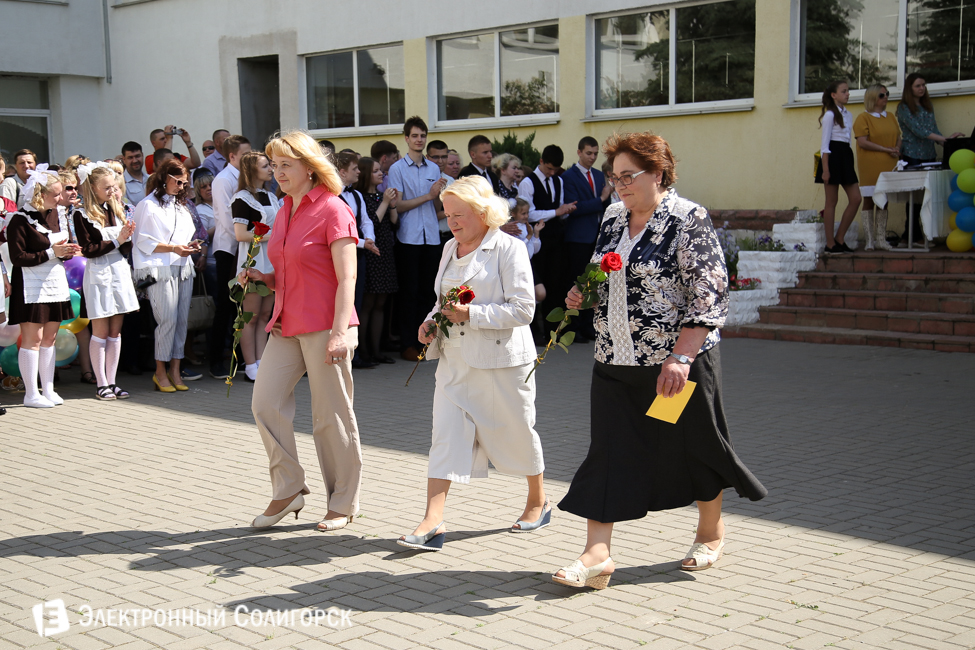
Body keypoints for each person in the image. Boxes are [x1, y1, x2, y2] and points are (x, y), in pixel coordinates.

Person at [552, 132, 767, 590]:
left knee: (694, 445)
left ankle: (710, 532)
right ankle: (597, 555)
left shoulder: (689, 219)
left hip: (671, 366)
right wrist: (583, 292)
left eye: (629, 176)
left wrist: (681, 357)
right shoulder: (613, 217)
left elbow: (709, 296)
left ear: (659, 173)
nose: (620, 186)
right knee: (608, 451)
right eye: (615, 177)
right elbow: (601, 269)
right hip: (615, 360)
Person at [397, 176, 547, 553]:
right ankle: (433, 521)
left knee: (516, 431)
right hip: (454, 361)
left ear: (483, 213)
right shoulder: (449, 247)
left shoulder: (509, 248)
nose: (452, 223)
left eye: (459, 215)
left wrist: (471, 315)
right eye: (447, 215)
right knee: (444, 435)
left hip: (501, 362)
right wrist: (432, 320)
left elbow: (523, 309)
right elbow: (443, 300)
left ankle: (538, 501)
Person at [242, 129, 363, 533]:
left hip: (327, 326)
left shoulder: (334, 209)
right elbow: (291, 271)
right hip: (286, 324)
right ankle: (289, 488)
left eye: (286, 166)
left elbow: (347, 278)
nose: (277, 173)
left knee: (330, 417)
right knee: (265, 404)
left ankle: (343, 502)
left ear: (310, 168)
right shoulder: (284, 209)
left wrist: (341, 331)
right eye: (273, 166)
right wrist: (263, 277)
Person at [5, 166, 82, 407]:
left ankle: (48, 389)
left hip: (55, 282)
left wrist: (69, 252)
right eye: (56, 194)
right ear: (40, 194)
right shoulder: (19, 219)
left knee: (49, 337)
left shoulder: (58, 215)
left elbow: (61, 249)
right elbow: (18, 257)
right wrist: (52, 252)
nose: (61, 198)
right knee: (33, 339)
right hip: (30, 284)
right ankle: (31, 394)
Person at [132, 158, 202, 392]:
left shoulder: (181, 205)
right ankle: (160, 372)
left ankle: (175, 369)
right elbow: (142, 241)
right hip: (158, 269)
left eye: (184, 182)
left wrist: (190, 245)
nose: (182, 186)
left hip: (182, 266)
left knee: (182, 320)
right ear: (164, 178)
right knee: (167, 320)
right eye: (178, 182)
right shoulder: (147, 204)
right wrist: (174, 248)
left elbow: (180, 236)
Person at [73, 163, 139, 400]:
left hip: (119, 271)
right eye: (107, 188)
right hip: (99, 273)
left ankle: (113, 381)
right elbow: (89, 249)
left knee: (115, 331)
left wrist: (127, 237)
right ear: (93, 188)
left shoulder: (117, 209)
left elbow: (124, 248)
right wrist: (118, 241)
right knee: (100, 330)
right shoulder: (81, 214)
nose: (113, 191)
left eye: (114, 187)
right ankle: (101, 383)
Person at [388, 116, 447, 362]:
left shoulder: (434, 168)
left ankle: (427, 342)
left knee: (428, 293)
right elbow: (398, 206)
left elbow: (435, 203)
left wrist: (440, 196)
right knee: (409, 294)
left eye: (422, 136)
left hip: (431, 236)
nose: (419, 140)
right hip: (409, 238)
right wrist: (429, 195)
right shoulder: (397, 169)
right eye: (414, 136)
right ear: (406, 138)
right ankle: (408, 344)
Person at [896, 73, 964, 245]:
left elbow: (934, 129)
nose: (922, 88)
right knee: (914, 197)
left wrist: (947, 141)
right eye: (918, 86)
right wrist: (942, 140)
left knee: (927, 197)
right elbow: (919, 131)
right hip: (912, 155)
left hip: (929, 154)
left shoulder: (928, 105)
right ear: (909, 88)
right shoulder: (904, 108)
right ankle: (912, 234)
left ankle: (915, 234)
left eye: (923, 85)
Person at [518, 145, 576, 334]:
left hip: (556, 237)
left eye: (555, 170)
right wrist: (556, 212)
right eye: (549, 168)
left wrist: (565, 210)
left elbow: (559, 209)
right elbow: (528, 213)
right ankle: (534, 331)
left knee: (556, 283)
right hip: (536, 238)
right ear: (541, 161)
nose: (551, 173)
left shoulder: (558, 181)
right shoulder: (528, 182)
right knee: (536, 285)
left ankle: (554, 329)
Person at [231, 152, 279, 382]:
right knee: (249, 316)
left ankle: (262, 361)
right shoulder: (241, 198)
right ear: (251, 170)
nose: (270, 168)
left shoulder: (270, 195)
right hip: (253, 261)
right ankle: (250, 364)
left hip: (271, 262)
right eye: (265, 165)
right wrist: (271, 236)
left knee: (265, 315)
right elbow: (240, 234)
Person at [209, 135, 252, 379]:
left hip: (246, 249)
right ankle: (216, 360)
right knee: (226, 306)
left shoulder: (247, 179)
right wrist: (245, 238)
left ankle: (243, 359)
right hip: (230, 249)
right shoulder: (223, 180)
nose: (249, 158)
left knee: (244, 307)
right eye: (244, 155)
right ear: (232, 156)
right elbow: (227, 219)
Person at [562, 136, 612, 342]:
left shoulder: (600, 176)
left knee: (593, 282)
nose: (592, 157)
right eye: (588, 153)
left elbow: (605, 206)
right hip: (578, 237)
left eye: (595, 154)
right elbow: (575, 207)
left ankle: (590, 325)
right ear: (579, 152)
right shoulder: (569, 176)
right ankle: (574, 327)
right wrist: (600, 199)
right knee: (576, 281)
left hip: (597, 236)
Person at [336, 152, 380, 370]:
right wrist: (364, 243)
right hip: (341, 254)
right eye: (355, 168)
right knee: (342, 303)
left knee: (357, 302)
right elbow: (339, 232)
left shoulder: (357, 195)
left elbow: (365, 220)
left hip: (359, 254)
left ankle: (354, 352)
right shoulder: (332, 196)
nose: (359, 172)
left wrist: (369, 238)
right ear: (342, 172)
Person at [355, 156, 398, 364]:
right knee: (368, 303)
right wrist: (386, 203)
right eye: (375, 171)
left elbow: (394, 221)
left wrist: (392, 205)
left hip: (385, 252)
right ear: (365, 175)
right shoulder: (360, 197)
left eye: (380, 170)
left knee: (381, 302)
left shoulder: (381, 196)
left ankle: (377, 349)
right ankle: (363, 350)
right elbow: (371, 223)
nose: (381, 174)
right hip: (370, 253)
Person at [853, 85, 901, 251]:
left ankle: (881, 239)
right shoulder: (863, 118)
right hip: (871, 164)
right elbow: (862, 141)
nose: (885, 97)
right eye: (882, 95)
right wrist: (885, 149)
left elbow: (898, 136)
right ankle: (869, 240)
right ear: (873, 97)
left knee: (884, 200)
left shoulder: (890, 117)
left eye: (887, 94)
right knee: (869, 199)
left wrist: (897, 148)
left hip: (889, 163)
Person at [815, 81, 860, 254]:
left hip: (845, 155)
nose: (847, 94)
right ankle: (830, 243)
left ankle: (840, 237)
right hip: (832, 157)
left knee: (856, 198)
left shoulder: (848, 115)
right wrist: (825, 169)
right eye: (844, 91)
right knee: (831, 202)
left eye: (848, 91)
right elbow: (825, 145)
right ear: (834, 95)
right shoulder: (829, 115)